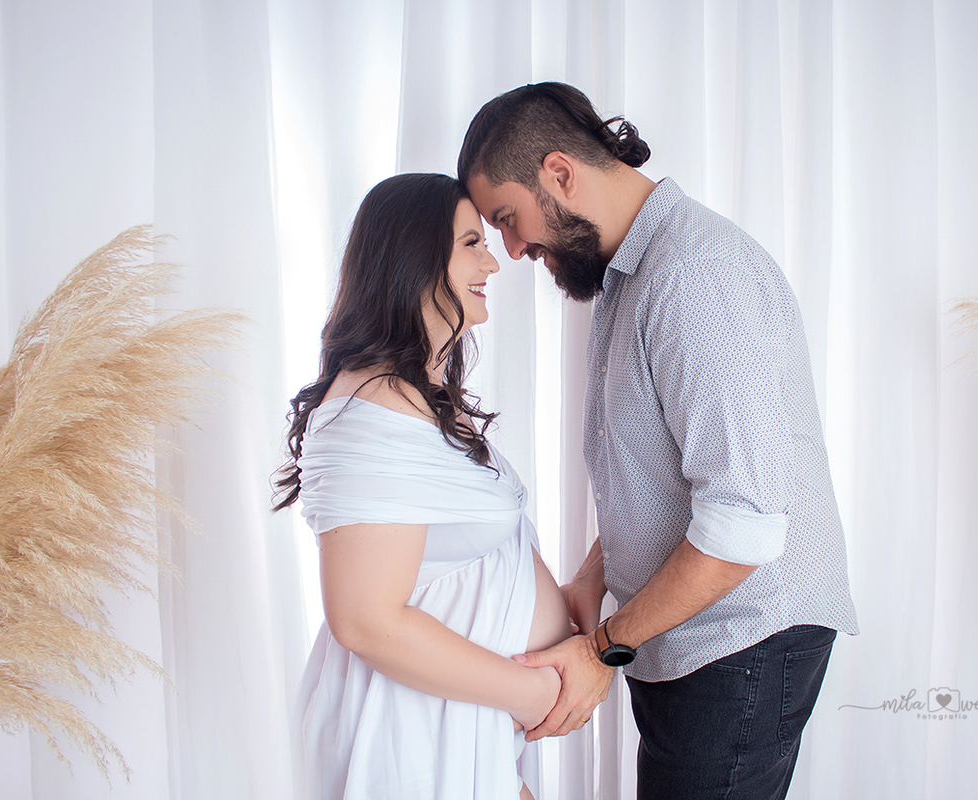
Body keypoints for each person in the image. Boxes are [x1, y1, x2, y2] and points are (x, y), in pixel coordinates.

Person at [458, 83, 859, 800]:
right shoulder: (634, 276)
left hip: (744, 640)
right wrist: (593, 576)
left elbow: (743, 523)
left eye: (508, 220)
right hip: (700, 636)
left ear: (558, 173)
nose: (513, 250)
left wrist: (601, 648)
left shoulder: (694, 277)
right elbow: (666, 478)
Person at [273, 173, 573, 800]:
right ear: (413, 260)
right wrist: (532, 693)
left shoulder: (416, 398)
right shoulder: (371, 413)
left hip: (456, 721)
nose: (493, 260)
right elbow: (365, 621)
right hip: (408, 731)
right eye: (471, 242)